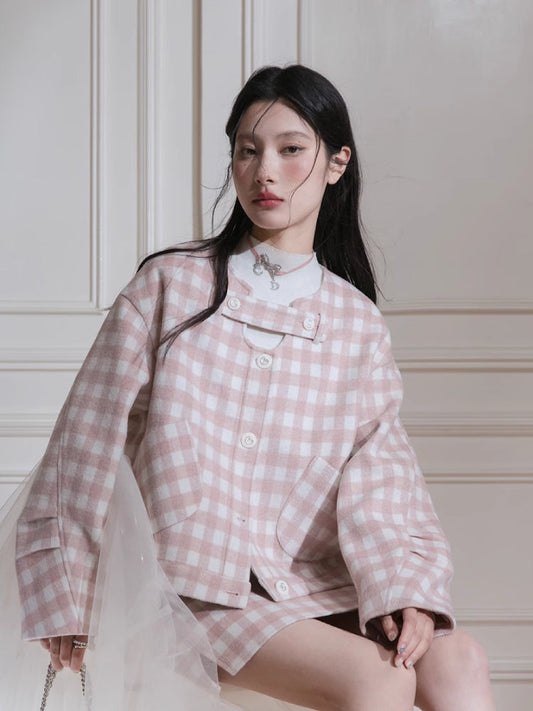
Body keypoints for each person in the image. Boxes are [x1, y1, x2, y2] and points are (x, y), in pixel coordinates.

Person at [10, 64, 495, 710]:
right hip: (189, 590)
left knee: (459, 658)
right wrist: (66, 586)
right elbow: (85, 439)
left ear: (336, 163)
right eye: (247, 150)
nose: (265, 171)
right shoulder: (170, 286)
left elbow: (379, 470)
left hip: (309, 585)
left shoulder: (355, 322)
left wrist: (404, 589)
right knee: (380, 679)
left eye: (291, 149)